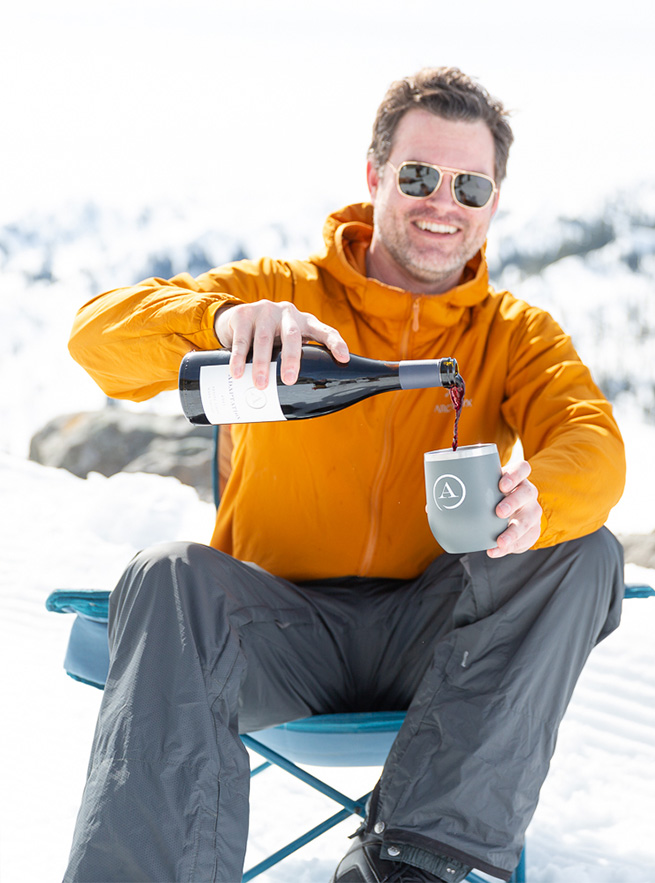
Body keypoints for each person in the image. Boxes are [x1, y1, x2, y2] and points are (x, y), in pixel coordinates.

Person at [63, 66, 626, 883]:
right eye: (420, 176)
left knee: (585, 550)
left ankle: (410, 862)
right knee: (168, 574)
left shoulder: (516, 335)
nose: (444, 203)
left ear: (494, 201)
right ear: (375, 177)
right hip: (275, 629)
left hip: (437, 636)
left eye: (470, 185)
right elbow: (96, 339)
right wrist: (216, 320)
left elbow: (590, 437)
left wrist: (546, 498)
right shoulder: (279, 296)